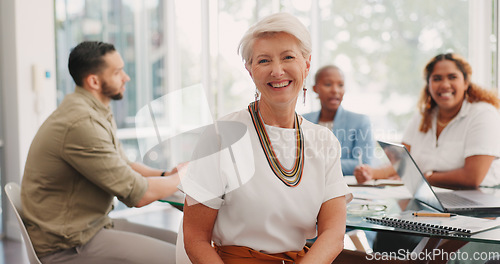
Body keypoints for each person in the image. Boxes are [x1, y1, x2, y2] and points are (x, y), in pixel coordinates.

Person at [180, 12, 352, 264]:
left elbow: (333, 234)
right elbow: (195, 239)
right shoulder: (220, 135)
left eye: (288, 57)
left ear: (306, 63)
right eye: (263, 61)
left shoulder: (324, 141)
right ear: (250, 70)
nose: (277, 70)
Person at [21, 41, 182, 264]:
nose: (126, 77)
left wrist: (166, 175)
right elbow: (139, 195)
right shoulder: (81, 123)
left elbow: (124, 165)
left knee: (184, 244)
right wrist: (183, 177)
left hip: (92, 227)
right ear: (94, 81)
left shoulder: (92, 111)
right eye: (117, 72)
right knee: (183, 257)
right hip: (68, 247)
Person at [355, 53, 500, 188]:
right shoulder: (423, 116)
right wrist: (372, 173)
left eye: (452, 77)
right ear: (428, 85)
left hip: (481, 200)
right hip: (432, 194)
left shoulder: (483, 114)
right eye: (437, 79)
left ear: (466, 82)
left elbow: (472, 178)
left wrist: (424, 178)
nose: (445, 84)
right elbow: (403, 162)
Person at [303, 65, 376, 175]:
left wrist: (315, 164)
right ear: (315, 88)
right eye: (328, 84)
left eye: (340, 85)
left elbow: (363, 163)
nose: (335, 90)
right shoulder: (302, 120)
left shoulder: (360, 121)